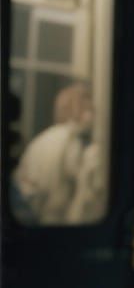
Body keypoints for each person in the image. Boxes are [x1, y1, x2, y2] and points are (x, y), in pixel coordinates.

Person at [12, 81, 97, 225]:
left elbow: (24, 188)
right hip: (60, 223)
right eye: (89, 107)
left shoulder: (41, 140)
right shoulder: (73, 141)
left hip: (35, 220)